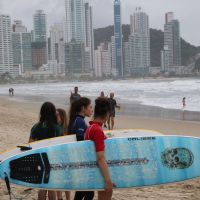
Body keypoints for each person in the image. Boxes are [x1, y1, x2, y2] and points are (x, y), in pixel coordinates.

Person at [29, 102, 63, 200]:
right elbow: (60, 145)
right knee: (51, 186)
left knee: (42, 186)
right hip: (53, 158)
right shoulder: (57, 127)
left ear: (42, 112)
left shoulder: (36, 127)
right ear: (53, 113)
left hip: (40, 158)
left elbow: (30, 144)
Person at [85, 97, 116, 200]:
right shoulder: (97, 130)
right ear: (106, 113)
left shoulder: (90, 128)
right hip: (100, 173)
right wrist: (108, 180)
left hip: (95, 172)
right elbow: (100, 157)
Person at [68, 97, 94, 200]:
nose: (92, 109)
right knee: (88, 193)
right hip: (81, 161)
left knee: (82, 191)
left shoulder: (78, 120)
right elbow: (80, 143)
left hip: (79, 161)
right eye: (90, 107)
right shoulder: (79, 121)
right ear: (83, 108)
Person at [56, 108, 71, 200]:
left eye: (57, 115)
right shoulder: (55, 127)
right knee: (59, 178)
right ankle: (60, 198)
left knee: (67, 179)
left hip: (66, 156)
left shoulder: (67, 128)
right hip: (58, 156)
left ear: (62, 116)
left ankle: (68, 198)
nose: (56, 116)